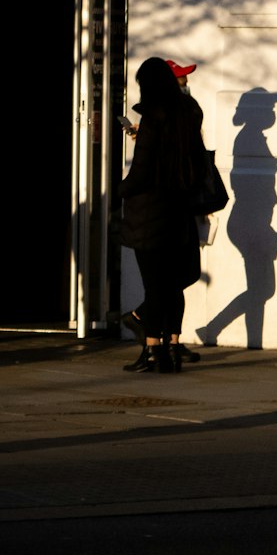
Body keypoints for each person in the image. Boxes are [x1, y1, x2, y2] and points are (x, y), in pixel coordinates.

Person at [115, 57, 205, 373]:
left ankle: (154, 350)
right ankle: (168, 348)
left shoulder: (153, 117)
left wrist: (117, 192)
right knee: (170, 285)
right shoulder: (190, 113)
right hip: (178, 208)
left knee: (153, 284)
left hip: (150, 212)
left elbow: (141, 171)